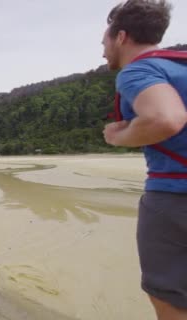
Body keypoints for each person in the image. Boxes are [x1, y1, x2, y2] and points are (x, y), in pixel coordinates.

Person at [101, 1, 187, 319]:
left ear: (121, 37)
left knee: (168, 298)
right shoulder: (181, 66)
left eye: (104, 42)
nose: (103, 52)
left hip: (174, 196)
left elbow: (166, 118)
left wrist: (118, 135)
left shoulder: (140, 70)